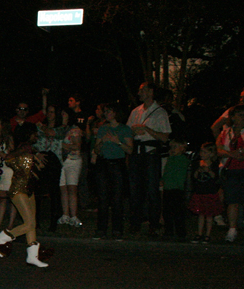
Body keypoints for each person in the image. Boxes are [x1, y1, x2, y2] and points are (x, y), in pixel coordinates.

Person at [0, 123, 50, 267]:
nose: (36, 136)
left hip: (29, 189)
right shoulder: (25, 148)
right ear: (28, 134)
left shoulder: (27, 149)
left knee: (31, 224)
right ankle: (2, 237)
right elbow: (8, 158)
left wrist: (35, 161)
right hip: (19, 189)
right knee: (29, 223)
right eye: (34, 133)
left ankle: (32, 256)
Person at [127, 82, 171, 235]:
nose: (139, 93)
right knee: (135, 190)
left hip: (151, 153)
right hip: (136, 153)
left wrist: (146, 129)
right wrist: (134, 132)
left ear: (151, 92)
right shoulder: (135, 112)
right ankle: (135, 222)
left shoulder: (160, 112)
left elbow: (164, 137)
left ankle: (154, 223)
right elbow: (127, 132)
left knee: (152, 190)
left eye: (142, 90)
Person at [93, 103, 133, 240]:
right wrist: (102, 142)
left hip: (117, 165)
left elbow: (130, 150)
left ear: (115, 113)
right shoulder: (103, 129)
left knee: (117, 198)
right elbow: (96, 149)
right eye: (105, 111)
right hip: (103, 164)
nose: (106, 114)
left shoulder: (124, 129)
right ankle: (101, 229)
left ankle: (117, 229)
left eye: (109, 111)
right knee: (103, 198)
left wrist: (118, 142)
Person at [33, 105, 65, 232]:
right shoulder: (39, 127)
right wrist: (36, 154)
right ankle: (36, 221)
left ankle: (53, 222)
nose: (50, 114)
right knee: (37, 192)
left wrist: (41, 126)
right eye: (49, 112)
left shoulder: (60, 128)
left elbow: (51, 133)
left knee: (54, 192)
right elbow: (32, 142)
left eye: (52, 112)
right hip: (41, 159)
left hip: (54, 161)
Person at [216, 104, 244, 242]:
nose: (243, 118)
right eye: (240, 115)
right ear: (232, 117)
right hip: (231, 169)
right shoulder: (226, 133)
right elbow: (218, 149)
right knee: (232, 200)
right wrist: (231, 154)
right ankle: (232, 230)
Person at [189, 142, 224, 243]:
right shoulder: (197, 163)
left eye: (204, 152)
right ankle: (199, 234)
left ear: (211, 153)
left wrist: (208, 171)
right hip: (200, 192)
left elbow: (215, 177)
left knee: (209, 215)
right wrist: (198, 171)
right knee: (200, 214)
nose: (202, 154)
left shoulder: (215, 164)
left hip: (210, 192)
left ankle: (207, 234)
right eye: (201, 151)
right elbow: (194, 177)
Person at [161, 138, 190, 240]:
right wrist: (163, 180)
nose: (173, 149)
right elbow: (167, 171)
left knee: (178, 212)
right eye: (172, 147)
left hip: (177, 189)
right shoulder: (171, 159)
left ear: (182, 148)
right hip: (168, 188)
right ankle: (168, 231)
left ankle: (180, 232)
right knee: (167, 211)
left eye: (175, 147)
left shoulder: (183, 159)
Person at [58, 110, 84, 227]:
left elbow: (76, 146)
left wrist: (61, 144)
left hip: (72, 161)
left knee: (72, 189)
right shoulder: (60, 129)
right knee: (63, 188)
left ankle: (74, 216)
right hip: (62, 161)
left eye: (65, 114)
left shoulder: (74, 130)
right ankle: (65, 215)